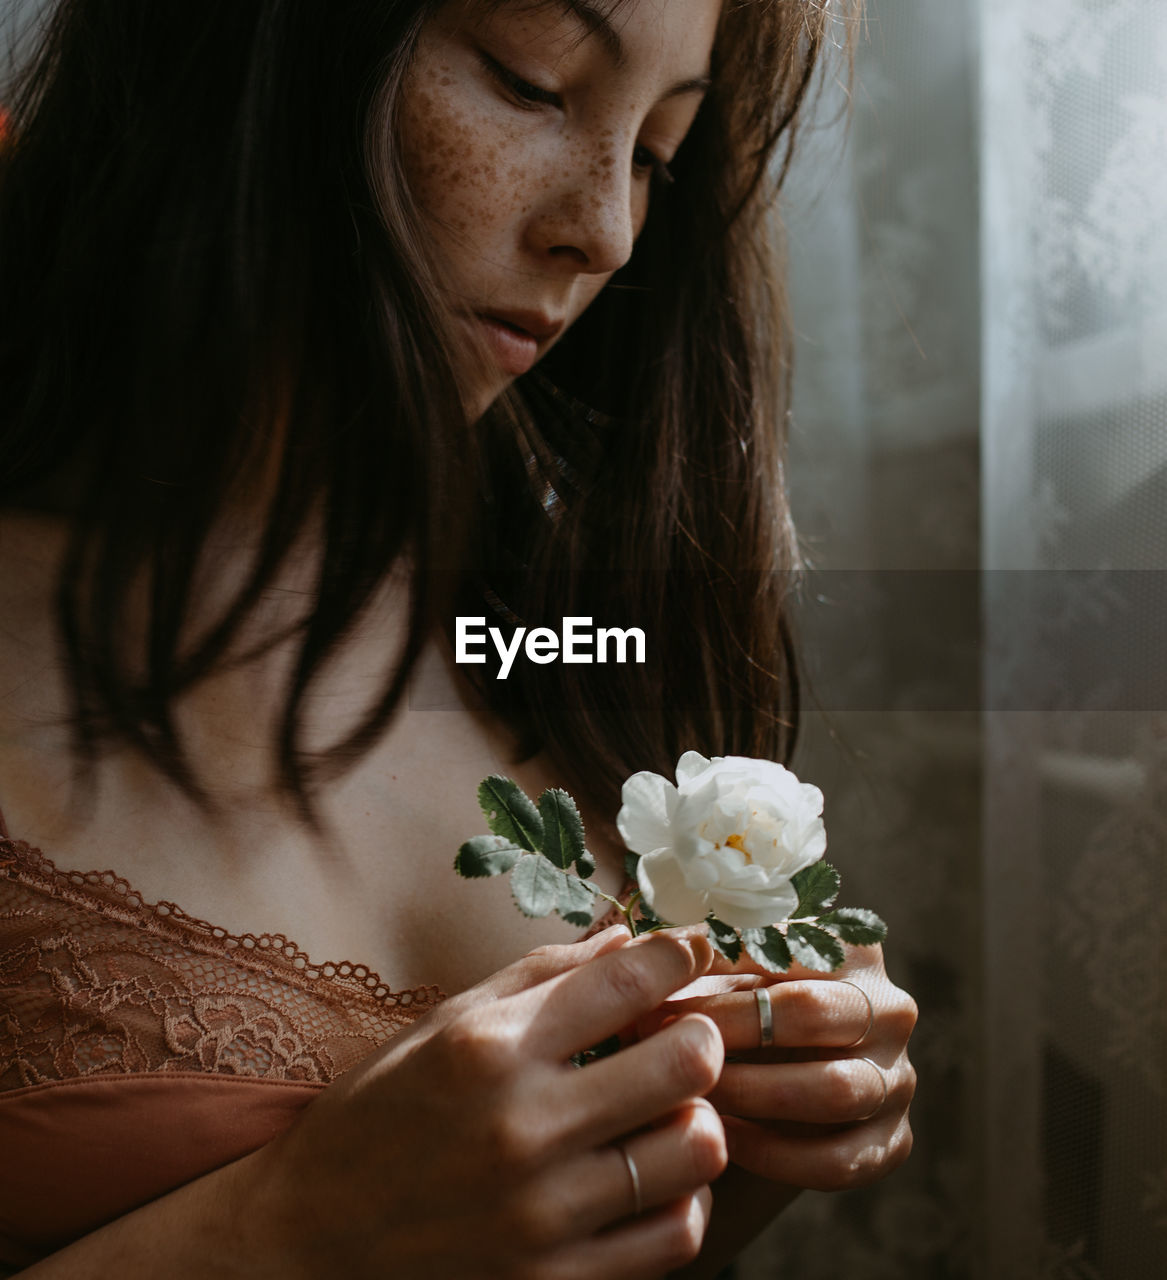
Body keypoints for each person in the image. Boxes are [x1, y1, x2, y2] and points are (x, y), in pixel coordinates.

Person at [0, 0, 917, 1275]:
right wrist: (290, 1230)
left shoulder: (564, 642)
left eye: (655, 152)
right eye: (531, 83)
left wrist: (746, 1136)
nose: (600, 231)